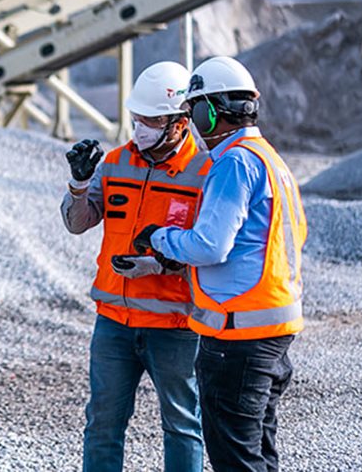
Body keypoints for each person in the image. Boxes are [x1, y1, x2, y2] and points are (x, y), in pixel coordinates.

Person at [133, 56, 307, 472]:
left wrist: (160, 237)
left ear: (210, 112)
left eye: (194, 111)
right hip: (273, 332)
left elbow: (210, 246)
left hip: (239, 337)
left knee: (236, 461)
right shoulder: (269, 159)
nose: (192, 122)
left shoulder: (233, 163)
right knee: (259, 455)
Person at [61, 61, 210, 472]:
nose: (141, 128)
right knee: (103, 424)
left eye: (152, 120)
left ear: (181, 123)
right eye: (138, 119)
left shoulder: (204, 174)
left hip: (175, 327)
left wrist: (158, 266)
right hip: (113, 323)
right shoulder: (114, 162)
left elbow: (212, 251)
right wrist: (78, 182)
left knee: (182, 424)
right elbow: (77, 224)